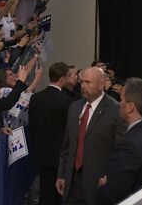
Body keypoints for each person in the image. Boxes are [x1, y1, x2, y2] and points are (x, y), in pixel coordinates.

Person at [96, 78, 142, 205]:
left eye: (121, 99)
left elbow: (110, 196)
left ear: (130, 107)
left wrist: (103, 187)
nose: (119, 103)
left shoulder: (131, 145)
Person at [56, 67, 126, 205]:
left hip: (98, 186)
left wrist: (111, 178)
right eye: (82, 82)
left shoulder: (116, 110)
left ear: (101, 84)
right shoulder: (74, 108)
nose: (83, 86)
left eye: (88, 82)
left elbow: (121, 151)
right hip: (72, 185)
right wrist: (62, 175)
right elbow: (67, 146)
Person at [28, 62, 73, 205]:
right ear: (62, 79)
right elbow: (68, 131)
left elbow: (32, 127)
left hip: (41, 153)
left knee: (45, 191)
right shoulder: (66, 101)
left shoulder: (36, 98)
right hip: (60, 155)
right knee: (58, 192)